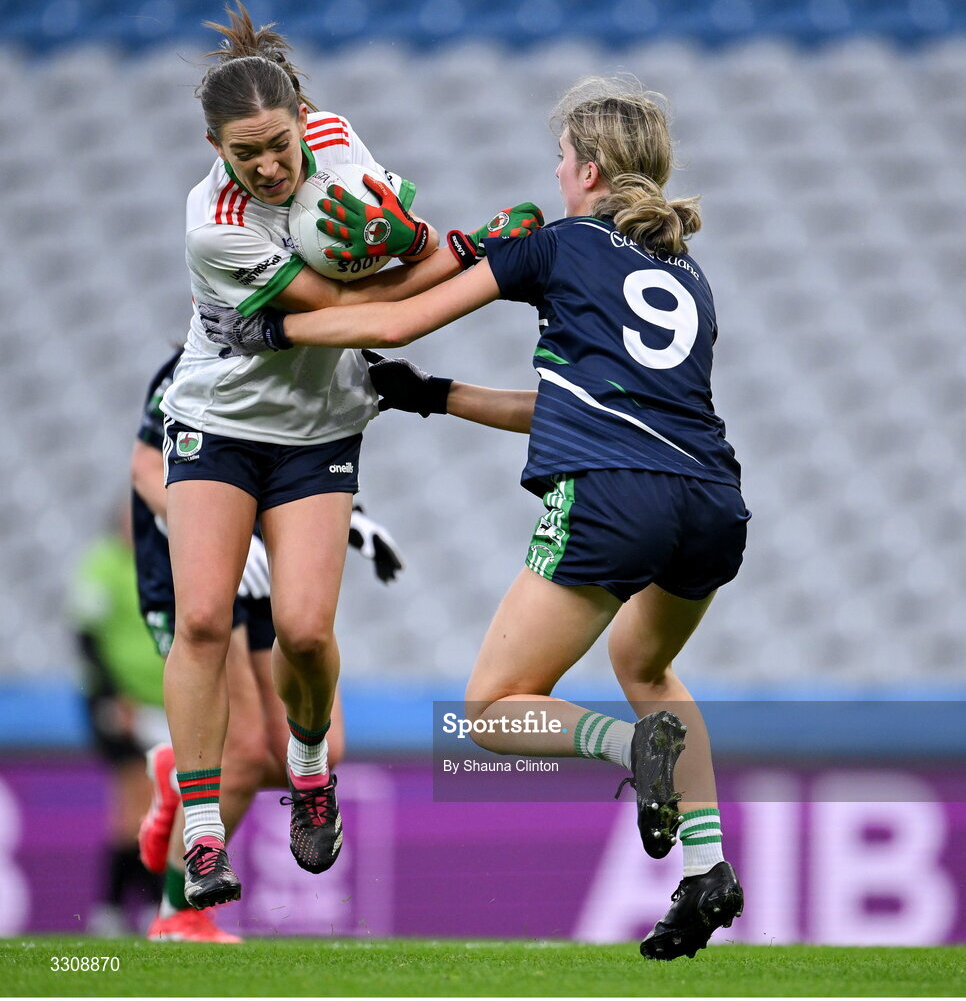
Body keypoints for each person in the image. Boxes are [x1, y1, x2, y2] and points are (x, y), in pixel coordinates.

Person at [201, 76, 750, 960]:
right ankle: (708, 868)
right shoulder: (691, 274)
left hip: (614, 498)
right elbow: (588, 404)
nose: (558, 173)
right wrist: (439, 400)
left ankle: (627, 747)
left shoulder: (559, 242)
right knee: (644, 661)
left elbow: (405, 317)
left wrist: (275, 332)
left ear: (590, 168)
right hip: (714, 501)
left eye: (563, 159)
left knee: (492, 709)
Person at [159, 0, 541, 910]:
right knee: (204, 621)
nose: (270, 165)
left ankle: (308, 762)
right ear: (217, 148)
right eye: (246, 153)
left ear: (300, 116)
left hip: (319, 426)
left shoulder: (336, 142)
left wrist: (420, 246)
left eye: (279, 143)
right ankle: (203, 837)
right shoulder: (212, 223)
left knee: (306, 632)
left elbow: (380, 264)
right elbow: (349, 306)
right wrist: (467, 253)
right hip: (217, 421)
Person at [132, 348, 402, 941]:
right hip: (199, 569)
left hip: (260, 574)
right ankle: (178, 915)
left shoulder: (317, 364)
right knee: (246, 751)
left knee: (321, 746)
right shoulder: (202, 363)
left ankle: (175, 770)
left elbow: (291, 458)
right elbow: (149, 469)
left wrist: (351, 519)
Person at [67, 507, 164, 935]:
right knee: (135, 799)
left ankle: (127, 906)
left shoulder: (161, 560)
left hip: (159, 705)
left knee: (152, 802)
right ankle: (121, 906)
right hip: (116, 702)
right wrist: (111, 695)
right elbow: (85, 637)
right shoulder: (103, 563)